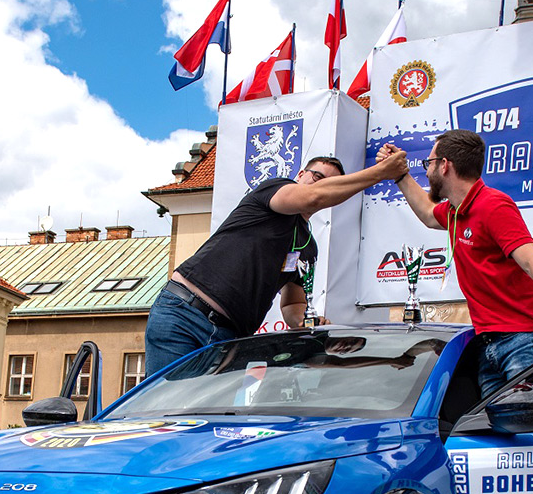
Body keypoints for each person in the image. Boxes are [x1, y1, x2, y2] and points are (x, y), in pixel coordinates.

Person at [377, 129, 533, 415]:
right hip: (490, 341)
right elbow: (429, 215)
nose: (427, 170)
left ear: (445, 166)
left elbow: (532, 260)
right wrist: (400, 175)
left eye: (428, 163)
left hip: (527, 339)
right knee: (500, 438)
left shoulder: (493, 205)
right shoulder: (457, 211)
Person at [144, 151, 409, 374]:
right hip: (184, 315)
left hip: (230, 338)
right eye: (316, 177)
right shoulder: (274, 191)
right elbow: (312, 196)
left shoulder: (308, 248)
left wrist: (314, 326)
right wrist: (380, 171)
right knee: (161, 415)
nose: (320, 185)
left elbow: (293, 305)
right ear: (300, 175)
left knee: (206, 422)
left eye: (330, 184)